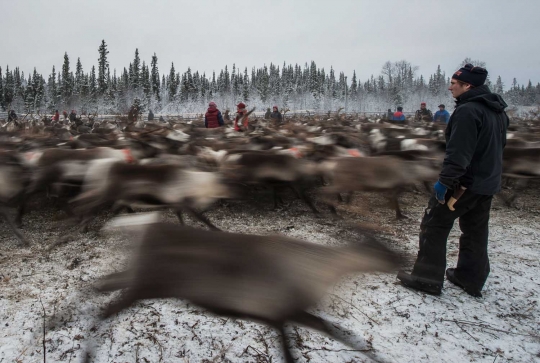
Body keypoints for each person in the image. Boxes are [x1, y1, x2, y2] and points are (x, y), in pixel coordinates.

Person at [397, 63, 509, 298]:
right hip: (487, 183)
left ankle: (427, 280)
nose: (450, 88)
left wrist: (445, 182)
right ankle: (471, 277)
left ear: (467, 85)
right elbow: (498, 148)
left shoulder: (468, 111)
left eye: (454, 83)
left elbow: (459, 153)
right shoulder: (497, 111)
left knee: (434, 225)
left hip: (463, 184)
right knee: (475, 231)